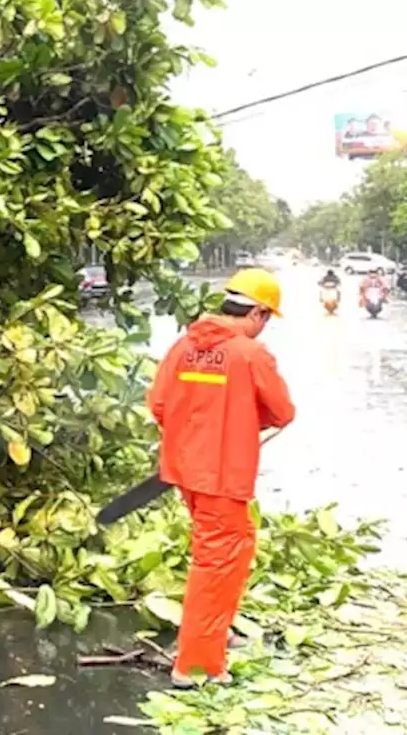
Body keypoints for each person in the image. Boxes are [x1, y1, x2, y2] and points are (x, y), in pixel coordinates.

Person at [146, 268, 296, 687]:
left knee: (236, 546)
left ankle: (216, 635)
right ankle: (196, 667)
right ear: (258, 314)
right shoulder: (249, 354)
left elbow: (159, 403)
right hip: (222, 475)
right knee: (216, 563)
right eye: (266, 320)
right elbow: (283, 412)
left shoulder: (183, 347)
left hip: (186, 472)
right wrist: (242, 421)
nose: (264, 329)